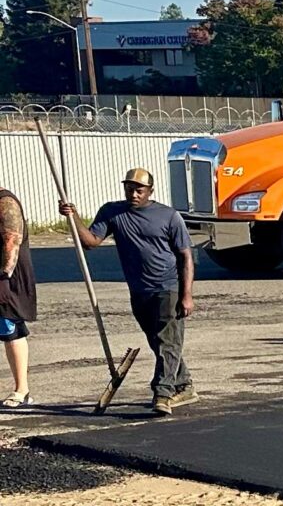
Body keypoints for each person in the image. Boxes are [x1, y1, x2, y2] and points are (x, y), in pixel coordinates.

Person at [61, 167, 194, 415]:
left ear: (150, 191)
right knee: (159, 342)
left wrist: (186, 295)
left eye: (139, 190)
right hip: (139, 290)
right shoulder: (112, 212)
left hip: (168, 287)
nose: (133, 194)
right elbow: (90, 242)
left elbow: (185, 256)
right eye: (129, 189)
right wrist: (73, 216)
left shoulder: (168, 216)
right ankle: (184, 384)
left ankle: (163, 394)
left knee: (167, 342)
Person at [0, 189, 35, 410]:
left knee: (10, 327)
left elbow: (11, 240)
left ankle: (22, 390)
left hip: (8, 277)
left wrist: (4, 276)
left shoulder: (5, 202)